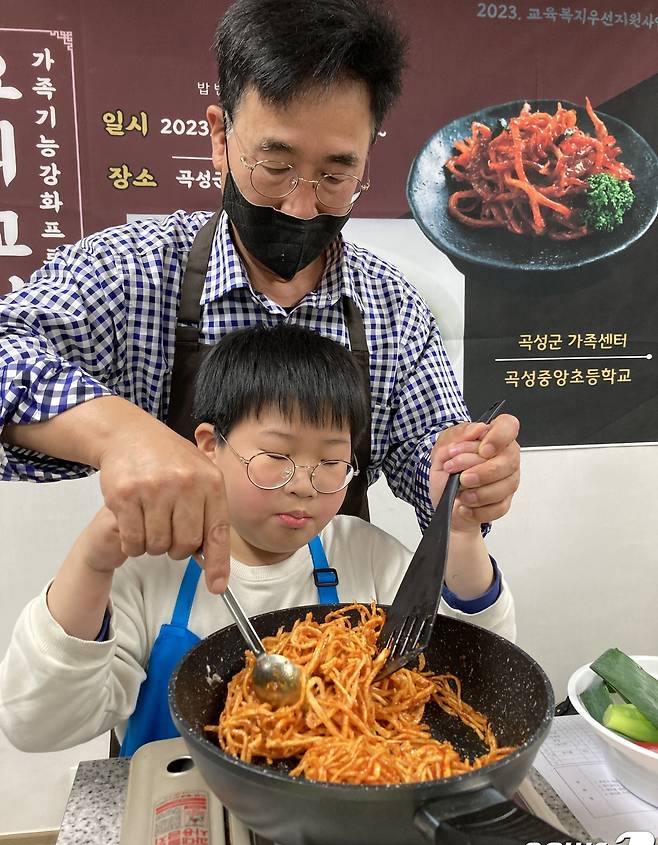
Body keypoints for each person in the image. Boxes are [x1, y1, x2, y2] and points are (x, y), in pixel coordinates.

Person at [0, 0, 520, 595]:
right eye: (274, 164)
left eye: (334, 176)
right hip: (163, 631)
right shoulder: (132, 272)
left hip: (328, 636)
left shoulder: (392, 310)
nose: (302, 205)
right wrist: (118, 434)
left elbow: (441, 476)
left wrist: (466, 478)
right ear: (221, 138)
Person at [0, 325, 516, 756]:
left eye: (332, 462)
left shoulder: (365, 554)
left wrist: (462, 531)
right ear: (208, 448)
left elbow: (480, 668)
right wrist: (91, 564)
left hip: (341, 800)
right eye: (276, 456)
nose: (304, 483)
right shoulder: (148, 571)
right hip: (179, 808)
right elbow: (38, 726)